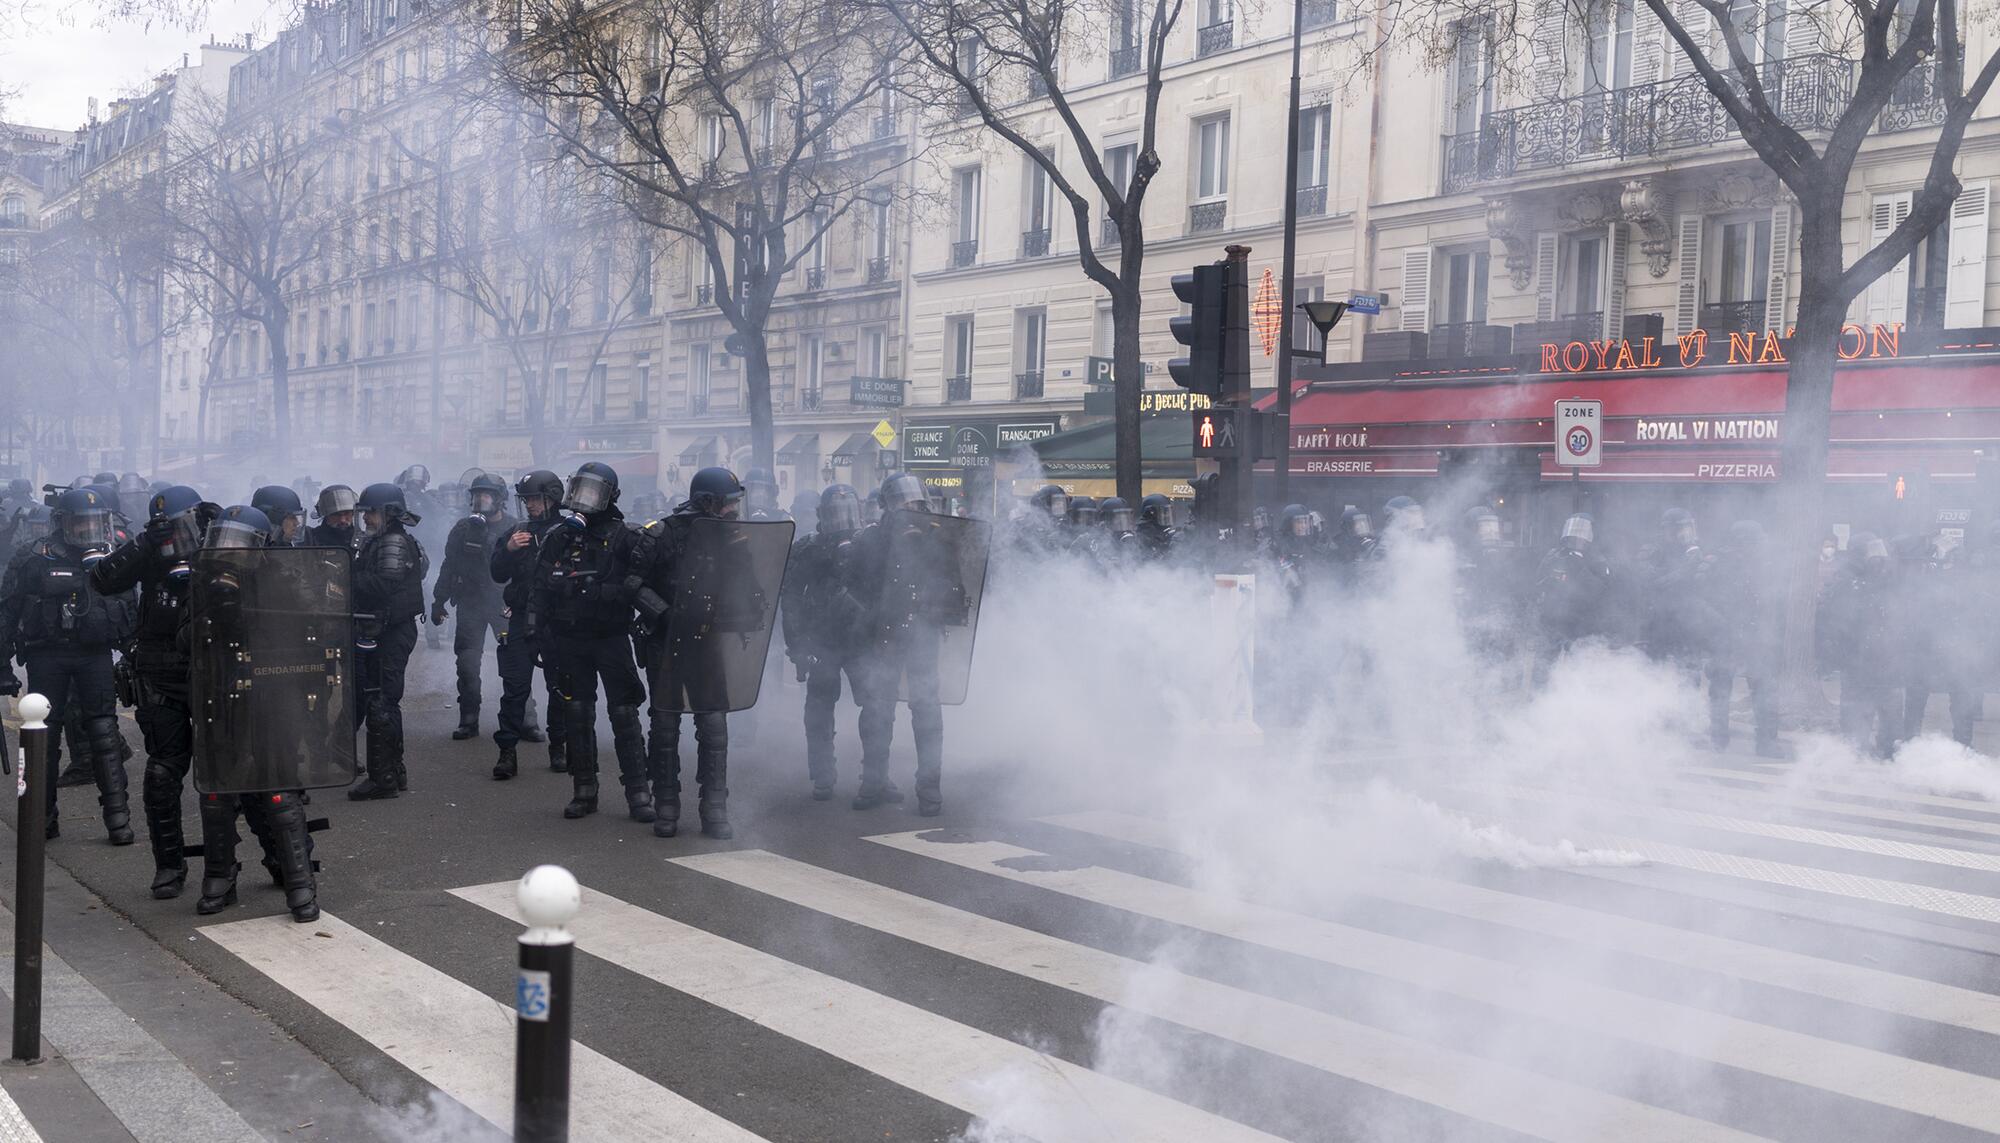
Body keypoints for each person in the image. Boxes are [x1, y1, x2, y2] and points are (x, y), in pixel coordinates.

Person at [185, 505, 321, 922]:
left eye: (238, 546)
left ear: (261, 550)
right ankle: (219, 878)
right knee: (218, 789)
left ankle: (300, 885)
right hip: (222, 696)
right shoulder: (202, 584)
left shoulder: (281, 581)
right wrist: (214, 613)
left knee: (279, 788)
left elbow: (310, 636)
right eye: (222, 542)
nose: (229, 553)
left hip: (272, 696)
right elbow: (181, 640)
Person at [90, 485, 215, 897]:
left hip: (213, 672)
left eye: (183, 526)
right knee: (163, 773)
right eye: (170, 530)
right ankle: (169, 866)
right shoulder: (150, 555)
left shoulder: (218, 541)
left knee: (232, 774)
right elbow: (103, 579)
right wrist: (146, 543)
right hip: (160, 678)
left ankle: (234, 865)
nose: (177, 539)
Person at [0, 486, 138, 842]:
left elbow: (131, 609)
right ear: (62, 523)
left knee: (105, 734)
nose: (88, 530)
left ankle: (118, 819)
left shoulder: (113, 557)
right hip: (48, 655)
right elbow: (8, 610)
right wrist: (1, 664)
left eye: (96, 522)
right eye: (81, 523)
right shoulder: (33, 557)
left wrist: (137, 655)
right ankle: (40, 817)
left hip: (94, 655)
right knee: (41, 736)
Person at [635, 467, 756, 838]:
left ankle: (714, 808)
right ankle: (667, 805)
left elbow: (747, 588)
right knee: (666, 725)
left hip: (707, 641)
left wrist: (747, 607)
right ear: (708, 501)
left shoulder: (730, 538)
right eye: (729, 503)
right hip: (666, 642)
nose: (735, 510)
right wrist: (666, 613)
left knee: (714, 725)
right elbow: (632, 583)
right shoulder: (663, 534)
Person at [847, 474, 975, 816]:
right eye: (905, 501)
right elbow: (856, 585)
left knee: (926, 709)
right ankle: (873, 781)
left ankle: (929, 788)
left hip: (923, 633)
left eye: (916, 501)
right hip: (883, 632)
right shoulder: (871, 539)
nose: (912, 506)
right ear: (888, 505)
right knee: (877, 708)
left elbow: (955, 588)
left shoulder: (937, 537)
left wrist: (930, 551)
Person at [531, 462, 652, 822]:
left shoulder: (626, 537)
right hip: (570, 638)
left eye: (592, 492)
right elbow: (538, 586)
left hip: (611, 637)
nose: (584, 500)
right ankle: (584, 789)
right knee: (577, 713)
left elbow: (641, 586)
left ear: (610, 496)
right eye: (579, 491)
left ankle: (638, 792)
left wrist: (601, 591)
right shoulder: (559, 535)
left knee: (624, 714)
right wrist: (536, 633)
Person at [782, 483, 868, 801]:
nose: (843, 520)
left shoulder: (868, 546)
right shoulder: (809, 548)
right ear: (822, 516)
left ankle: (875, 777)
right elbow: (790, 598)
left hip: (861, 639)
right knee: (819, 707)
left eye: (849, 512)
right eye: (836, 513)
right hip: (823, 640)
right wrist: (797, 643)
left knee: (876, 706)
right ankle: (822, 774)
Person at [347, 483, 428, 799]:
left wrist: (345, 579)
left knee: (381, 702)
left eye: (371, 511)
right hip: (382, 629)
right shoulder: (379, 540)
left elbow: (381, 584)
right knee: (383, 700)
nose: (366, 517)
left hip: (391, 631)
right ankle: (395, 771)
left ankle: (383, 779)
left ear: (388, 513)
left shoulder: (392, 541)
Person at [489, 471, 567, 779]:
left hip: (557, 620)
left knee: (559, 687)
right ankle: (507, 751)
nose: (530, 505)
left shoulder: (568, 530)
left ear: (551, 498)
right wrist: (508, 550)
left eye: (534, 499)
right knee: (515, 687)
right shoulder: (516, 532)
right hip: (521, 616)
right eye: (526, 500)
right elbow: (497, 574)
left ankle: (558, 745)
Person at [433, 473, 514, 741]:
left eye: (486, 495)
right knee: (467, 663)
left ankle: (525, 717)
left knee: (515, 663)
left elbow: (523, 569)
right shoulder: (462, 529)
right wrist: (438, 599)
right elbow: (449, 565)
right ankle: (468, 718)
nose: (480, 500)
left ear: (500, 499)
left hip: (504, 605)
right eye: (477, 495)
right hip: (470, 604)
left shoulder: (514, 529)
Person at [1701, 520, 1784, 756]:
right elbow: (1704, 600)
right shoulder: (1718, 566)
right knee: (1720, 690)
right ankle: (1719, 741)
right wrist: (1718, 624)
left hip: (1756, 636)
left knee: (1764, 689)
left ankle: (1766, 742)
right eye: (1754, 542)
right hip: (1725, 635)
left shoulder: (1764, 566)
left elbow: (1771, 602)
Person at [1819, 532, 1903, 758]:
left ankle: (1888, 748)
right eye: (1871, 550)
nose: (1877, 556)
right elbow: (1837, 619)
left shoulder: (1883, 576)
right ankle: (1854, 748)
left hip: (1884, 653)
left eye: (1879, 549)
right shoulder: (1846, 578)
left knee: (1889, 704)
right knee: (1856, 704)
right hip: (1856, 655)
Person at [1901, 522, 1983, 747]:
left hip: (1956, 647)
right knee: (1918, 694)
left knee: (1960, 697)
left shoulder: (1966, 581)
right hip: (1927, 645)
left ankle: (1963, 745)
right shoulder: (1926, 575)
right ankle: (1911, 741)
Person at [1532, 514, 1614, 687]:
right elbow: (1538, 581)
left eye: (1582, 535)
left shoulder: (1597, 560)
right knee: (1544, 666)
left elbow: (1600, 591)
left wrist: (1579, 567)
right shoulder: (1555, 556)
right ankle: (1540, 697)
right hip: (1553, 621)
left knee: (1579, 668)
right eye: (1573, 534)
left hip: (1581, 624)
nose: (1577, 539)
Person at [397, 465, 449, 650]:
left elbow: (439, 517)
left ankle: (431, 634)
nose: (416, 485)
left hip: (424, 549)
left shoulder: (425, 499)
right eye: (414, 481)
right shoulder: (402, 498)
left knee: (428, 594)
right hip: (407, 549)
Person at [304, 484, 360, 550]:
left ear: (353, 513)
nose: (342, 520)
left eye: (347, 513)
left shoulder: (363, 540)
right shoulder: (311, 539)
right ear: (326, 515)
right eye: (336, 514)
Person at [1135, 494, 1179, 561]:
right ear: (1151, 513)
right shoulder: (1143, 535)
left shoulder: (1166, 534)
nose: (1167, 516)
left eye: (1168, 512)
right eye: (1164, 512)